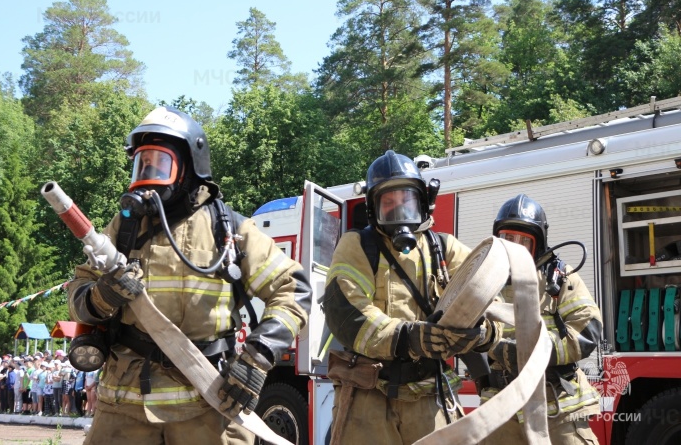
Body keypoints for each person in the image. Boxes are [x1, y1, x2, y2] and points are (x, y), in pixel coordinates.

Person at [67, 106, 311, 444]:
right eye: (142, 164)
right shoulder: (123, 227)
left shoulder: (229, 228)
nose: (148, 175)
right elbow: (78, 294)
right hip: (124, 407)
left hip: (208, 403)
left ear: (189, 169)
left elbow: (293, 289)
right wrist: (100, 297)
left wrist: (258, 355)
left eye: (159, 164)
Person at [323, 150, 498, 444]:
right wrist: (411, 337)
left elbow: (489, 299)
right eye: (387, 202)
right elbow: (348, 313)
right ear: (372, 207)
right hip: (369, 398)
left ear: (423, 202)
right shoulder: (356, 246)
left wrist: (480, 332)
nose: (398, 209)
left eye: (406, 200)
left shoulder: (445, 249)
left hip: (431, 396)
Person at [479, 194, 602, 445]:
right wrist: (493, 347)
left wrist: (533, 353)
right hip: (501, 408)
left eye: (523, 241)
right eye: (507, 238)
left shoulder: (560, 278)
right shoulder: (483, 281)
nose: (514, 246)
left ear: (539, 243)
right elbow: (467, 332)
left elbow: (588, 329)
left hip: (559, 407)